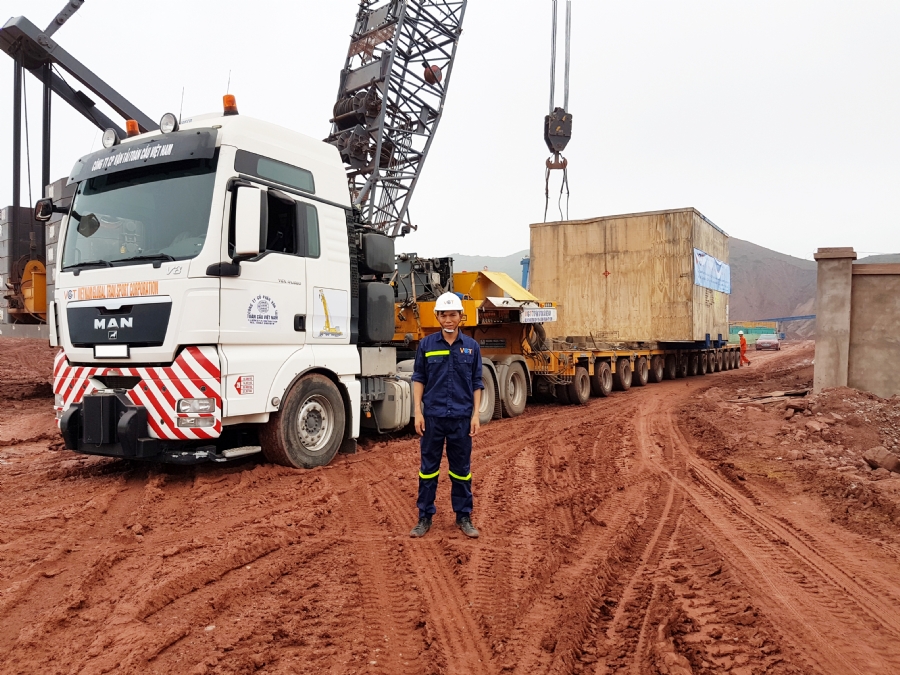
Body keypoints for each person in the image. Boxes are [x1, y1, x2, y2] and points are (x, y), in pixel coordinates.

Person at [409, 292, 483, 539]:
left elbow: (476, 382)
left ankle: (463, 516)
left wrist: (475, 415)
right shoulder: (427, 345)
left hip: (461, 418)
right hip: (433, 418)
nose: (448, 319)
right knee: (428, 470)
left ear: (461, 316)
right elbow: (419, 378)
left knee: (461, 470)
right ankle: (424, 517)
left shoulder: (472, 347)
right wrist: (417, 411)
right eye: (444, 314)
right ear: (437, 316)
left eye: (453, 314)